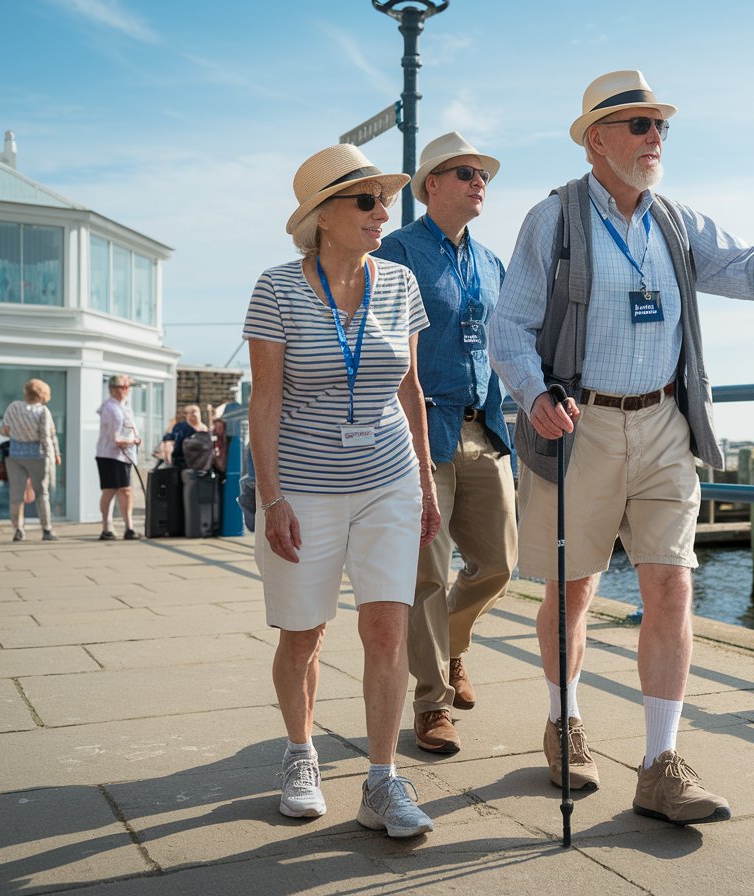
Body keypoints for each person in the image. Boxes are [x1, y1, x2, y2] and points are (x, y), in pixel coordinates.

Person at [488, 70, 754, 827]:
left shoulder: (676, 221)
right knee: (572, 590)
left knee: (670, 585)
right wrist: (534, 396)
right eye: (638, 126)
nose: (655, 138)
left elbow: (750, 273)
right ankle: (563, 721)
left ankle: (659, 764)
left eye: (660, 126)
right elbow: (510, 326)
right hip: (580, 423)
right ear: (596, 139)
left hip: (669, 422)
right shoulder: (555, 219)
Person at [243, 143, 440, 838]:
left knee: (387, 627)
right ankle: (301, 755)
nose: (383, 212)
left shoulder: (399, 284)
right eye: (366, 200)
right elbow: (263, 403)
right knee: (304, 635)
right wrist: (271, 498)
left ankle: (382, 782)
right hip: (304, 487)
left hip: (389, 479)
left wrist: (425, 478)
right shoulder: (277, 288)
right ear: (322, 216)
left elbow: (410, 389)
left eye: (384, 200)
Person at [374, 133, 517, 755]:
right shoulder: (394, 251)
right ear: (432, 184)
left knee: (500, 563)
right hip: (418, 433)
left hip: (483, 426)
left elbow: (510, 340)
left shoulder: (491, 262)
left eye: (483, 173)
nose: (478, 181)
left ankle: (452, 646)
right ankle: (430, 704)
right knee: (426, 576)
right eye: (465, 172)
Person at [0, 378, 61, 542]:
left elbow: (4, 430)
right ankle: (47, 530)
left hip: (16, 455)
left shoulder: (13, 407)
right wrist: (53, 455)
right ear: (43, 394)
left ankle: (18, 530)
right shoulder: (42, 411)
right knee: (42, 493)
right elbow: (46, 435)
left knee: (16, 495)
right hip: (37, 455)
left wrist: (19, 435)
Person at [95, 374, 142, 541]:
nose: (127, 390)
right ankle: (106, 528)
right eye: (124, 387)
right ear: (114, 389)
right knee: (110, 490)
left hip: (123, 457)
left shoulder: (123, 405)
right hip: (111, 455)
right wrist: (134, 441)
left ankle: (129, 527)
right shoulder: (112, 409)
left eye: (128, 387)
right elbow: (115, 439)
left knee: (126, 491)